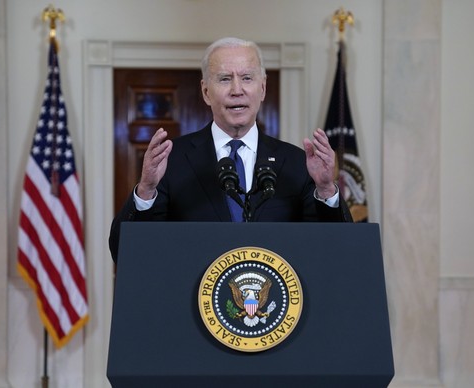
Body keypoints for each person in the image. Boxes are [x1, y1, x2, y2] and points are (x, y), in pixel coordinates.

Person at [109, 37, 353, 262]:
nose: (237, 89)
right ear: (206, 91)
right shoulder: (171, 160)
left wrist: (325, 189)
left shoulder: (298, 163)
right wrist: (145, 190)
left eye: (247, 78)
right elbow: (124, 251)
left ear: (263, 88)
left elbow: (337, 251)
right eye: (225, 79)